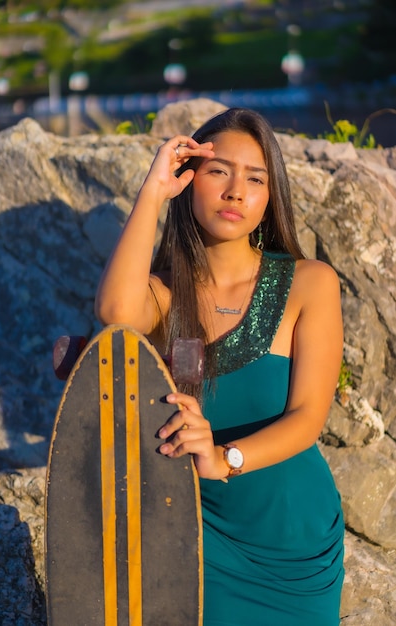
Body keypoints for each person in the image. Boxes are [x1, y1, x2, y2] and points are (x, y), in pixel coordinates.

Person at [95, 107, 345, 626]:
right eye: (218, 171)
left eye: (256, 179)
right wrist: (153, 190)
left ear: (270, 196)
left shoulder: (309, 283)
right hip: (194, 531)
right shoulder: (164, 295)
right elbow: (116, 314)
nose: (236, 191)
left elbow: (307, 418)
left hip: (291, 541)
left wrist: (224, 457)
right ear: (189, 181)